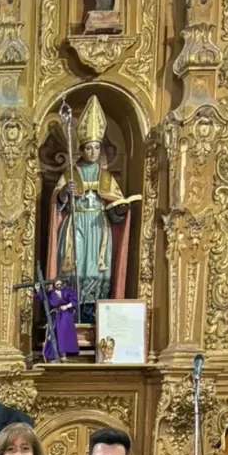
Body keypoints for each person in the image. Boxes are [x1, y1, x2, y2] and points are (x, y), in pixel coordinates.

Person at [46, 95, 131, 322]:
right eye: (89, 148)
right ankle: (70, 316)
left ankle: (92, 317)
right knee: (75, 269)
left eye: (96, 147)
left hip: (98, 229)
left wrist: (120, 209)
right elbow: (57, 204)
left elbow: (115, 209)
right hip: (76, 228)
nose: (93, 152)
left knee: (95, 271)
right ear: (81, 149)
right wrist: (65, 193)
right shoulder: (71, 174)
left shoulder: (106, 177)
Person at [39, 279, 78, 361]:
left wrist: (67, 306)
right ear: (54, 285)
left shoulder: (68, 291)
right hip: (55, 315)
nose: (59, 286)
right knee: (54, 333)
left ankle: (64, 354)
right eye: (57, 284)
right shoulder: (51, 294)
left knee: (63, 334)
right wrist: (38, 289)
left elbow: (74, 300)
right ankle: (53, 355)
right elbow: (43, 298)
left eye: (60, 284)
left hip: (65, 315)